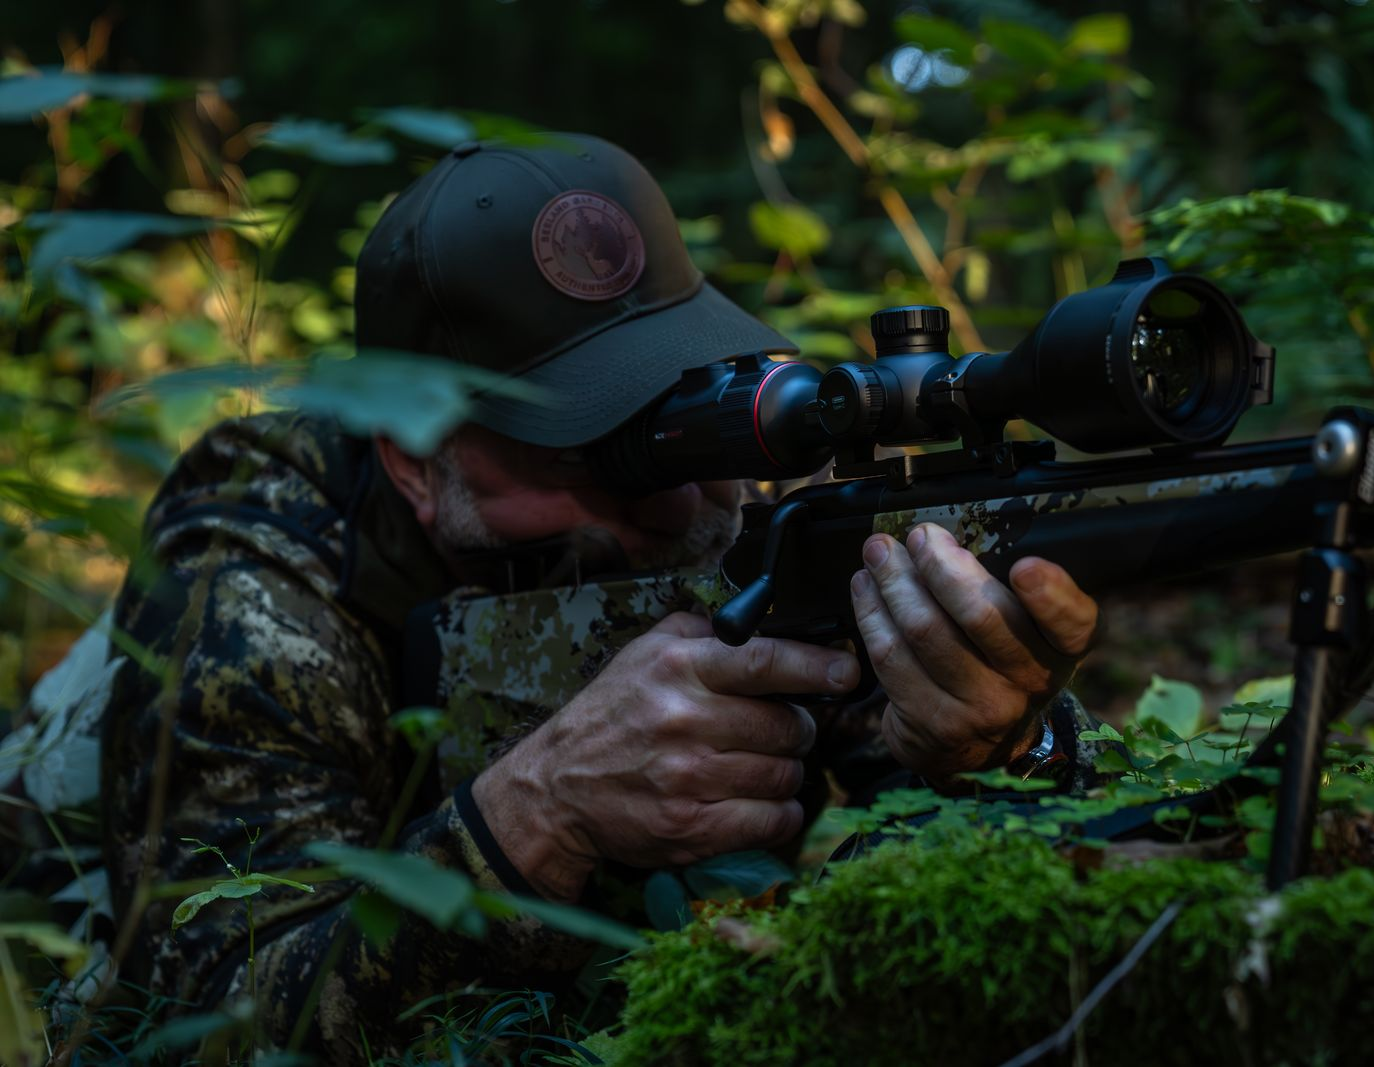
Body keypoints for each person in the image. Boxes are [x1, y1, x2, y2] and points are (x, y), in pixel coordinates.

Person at [99, 134, 1100, 1062]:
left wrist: (1016, 742)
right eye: (591, 448)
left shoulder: (737, 496)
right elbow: (205, 1020)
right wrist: (539, 810)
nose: (676, 500)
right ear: (413, 456)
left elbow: (1019, 837)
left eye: (679, 405)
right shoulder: (260, 577)